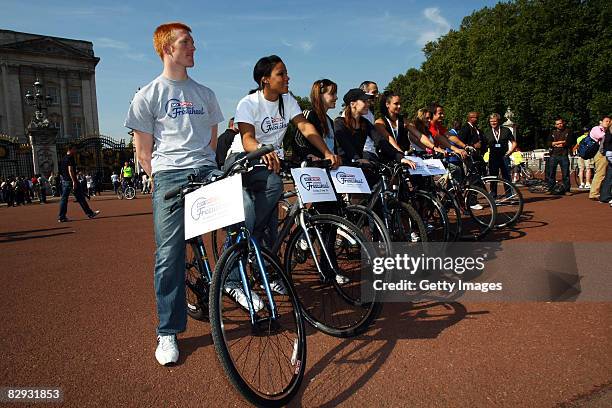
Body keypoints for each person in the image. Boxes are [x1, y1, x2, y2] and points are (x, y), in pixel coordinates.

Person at [125, 22, 224, 366]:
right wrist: (164, 178)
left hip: (206, 170)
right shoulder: (148, 96)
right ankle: (168, 330)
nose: (194, 48)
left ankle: (236, 281)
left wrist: (207, 168)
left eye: (193, 42)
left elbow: (212, 142)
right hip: (169, 174)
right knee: (169, 254)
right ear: (168, 49)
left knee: (243, 215)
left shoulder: (206, 94)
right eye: (187, 43)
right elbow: (143, 153)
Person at [232, 55, 340, 297]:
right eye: (281, 74)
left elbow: (304, 126)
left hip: (271, 162)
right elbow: (247, 139)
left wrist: (326, 151)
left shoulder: (287, 100)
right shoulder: (248, 104)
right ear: (265, 80)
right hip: (244, 160)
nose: (287, 78)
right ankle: (248, 245)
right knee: (268, 193)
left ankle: (265, 269)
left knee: (272, 221)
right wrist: (264, 150)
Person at [374, 91, 444, 154]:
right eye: (396, 104)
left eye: (400, 103)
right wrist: (400, 153)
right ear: (387, 104)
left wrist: (434, 148)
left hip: (404, 156)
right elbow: (389, 138)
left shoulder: (404, 121)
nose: (399, 106)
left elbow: (420, 136)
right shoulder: (380, 122)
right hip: (389, 156)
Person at [294, 78, 338, 161]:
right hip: (315, 168)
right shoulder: (308, 114)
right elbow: (297, 139)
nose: (336, 97)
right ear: (320, 95)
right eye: (332, 94)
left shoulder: (330, 121)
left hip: (331, 166)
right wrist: (308, 154)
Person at [57, 144, 100, 222]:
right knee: (80, 198)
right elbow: (70, 170)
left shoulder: (63, 158)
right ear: (71, 149)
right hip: (71, 181)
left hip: (65, 180)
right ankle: (89, 213)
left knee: (64, 199)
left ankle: (61, 216)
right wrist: (74, 181)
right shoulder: (70, 157)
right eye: (74, 149)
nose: (76, 151)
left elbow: (62, 171)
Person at [482, 113, 516, 188]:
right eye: (491, 121)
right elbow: (483, 146)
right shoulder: (487, 132)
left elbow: (514, 143)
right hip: (493, 158)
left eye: (495, 121)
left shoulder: (506, 130)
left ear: (498, 121)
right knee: (493, 177)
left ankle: (509, 194)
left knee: (506, 176)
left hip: (504, 156)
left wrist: (510, 152)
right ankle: (493, 196)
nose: (493, 123)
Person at [588, 115, 611, 200]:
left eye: (609, 121)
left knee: (605, 174)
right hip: (600, 153)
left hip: (604, 153)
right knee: (600, 173)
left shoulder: (607, 130)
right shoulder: (596, 129)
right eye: (606, 121)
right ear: (601, 122)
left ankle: (602, 191)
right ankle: (594, 193)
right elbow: (602, 137)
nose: (608, 123)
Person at [547, 117, 571, 193]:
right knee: (551, 173)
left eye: (560, 123)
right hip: (553, 155)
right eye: (557, 124)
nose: (559, 125)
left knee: (566, 174)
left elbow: (569, 142)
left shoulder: (568, 132)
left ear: (563, 123)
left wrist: (556, 143)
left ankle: (567, 190)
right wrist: (560, 142)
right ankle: (551, 189)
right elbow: (549, 143)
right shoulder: (552, 132)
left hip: (564, 155)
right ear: (555, 125)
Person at [599, 127, 612, 205]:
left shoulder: (607, 133)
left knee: (609, 177)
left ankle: (605, 196)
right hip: (610, 152)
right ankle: (605, 196)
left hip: (608, 153)